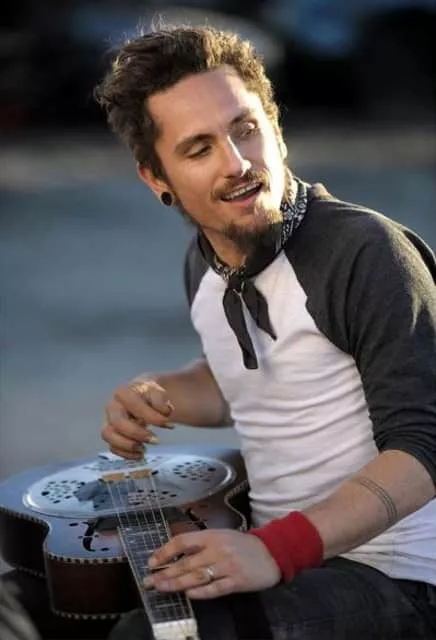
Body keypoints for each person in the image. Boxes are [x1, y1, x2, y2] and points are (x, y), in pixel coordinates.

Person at [95, 24, 436, 639]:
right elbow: (249, 384)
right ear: (156, 178)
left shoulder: (365, 253)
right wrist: (159, 393)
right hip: (282, 552)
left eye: (245, 128)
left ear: (275, 127)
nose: (237, 163)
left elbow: (425, 447)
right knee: (42, 594)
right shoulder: (205, 262)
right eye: (199, 149)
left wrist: (275, 549)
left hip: (402, 576)